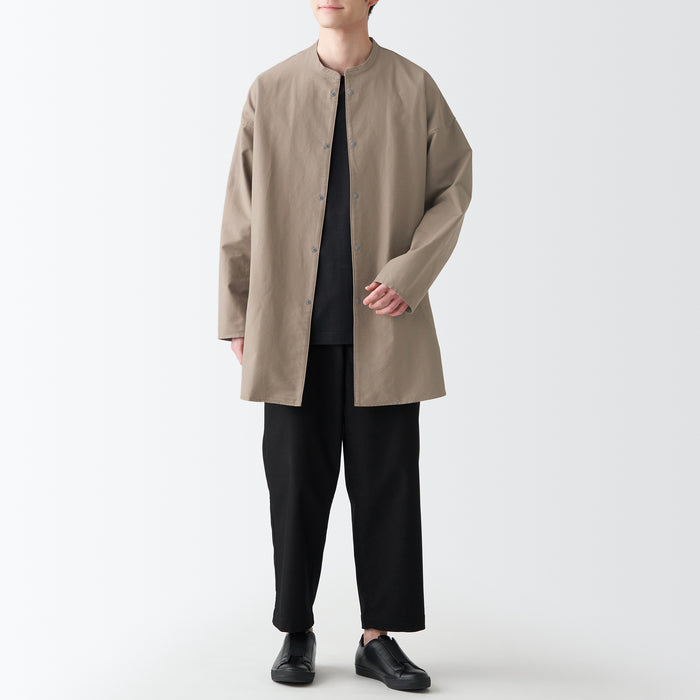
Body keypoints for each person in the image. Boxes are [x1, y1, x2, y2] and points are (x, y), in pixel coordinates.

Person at [217, 0, 473, 691]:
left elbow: (454, 186)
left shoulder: (413, 87)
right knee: (293, 490)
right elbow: (240, 209)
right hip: (288, 331)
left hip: (384, 330)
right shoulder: (270, 90)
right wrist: (236, 312)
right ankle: (295, 631)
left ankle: (378, 638)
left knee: (388, 489)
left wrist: (410, 272)